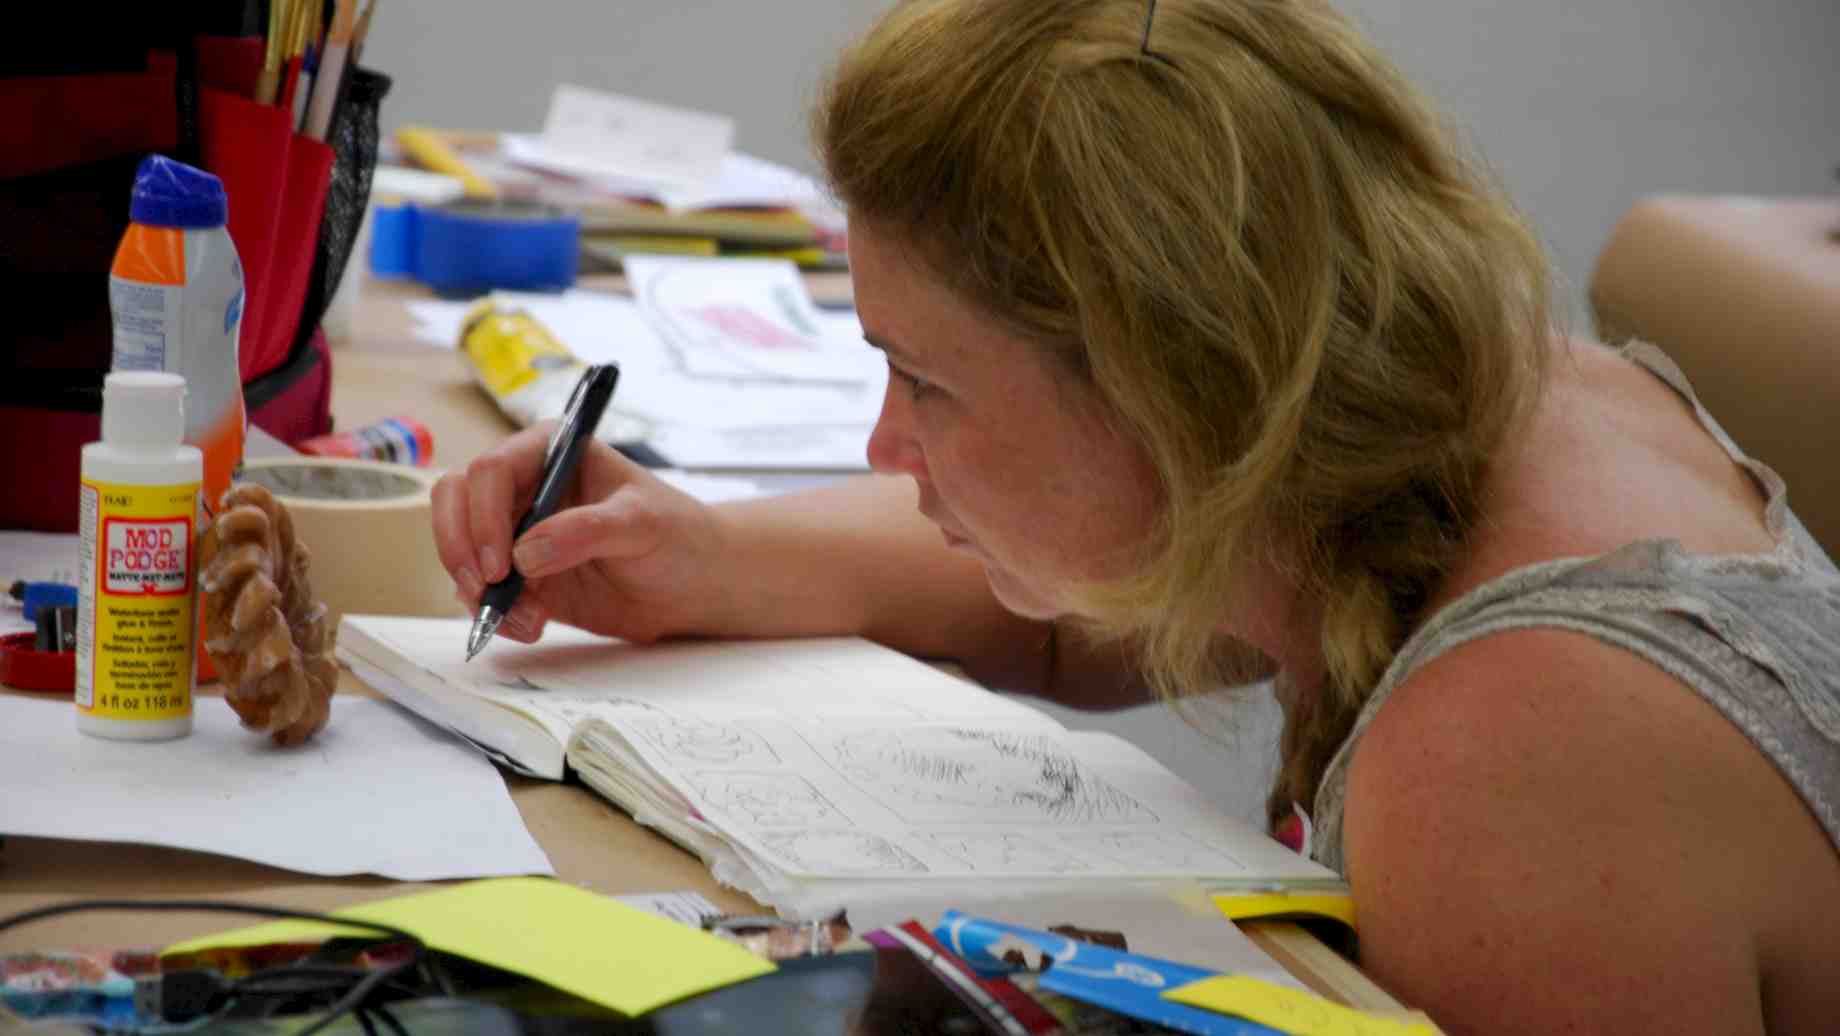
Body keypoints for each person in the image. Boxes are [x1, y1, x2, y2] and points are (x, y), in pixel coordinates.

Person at [431, 0, 1840, 1031]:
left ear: (1176, 392)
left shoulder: (1511, 762)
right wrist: (709, 556)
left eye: (925, 382)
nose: (881, 441)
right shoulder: (1475, 400)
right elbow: (1090, 605)